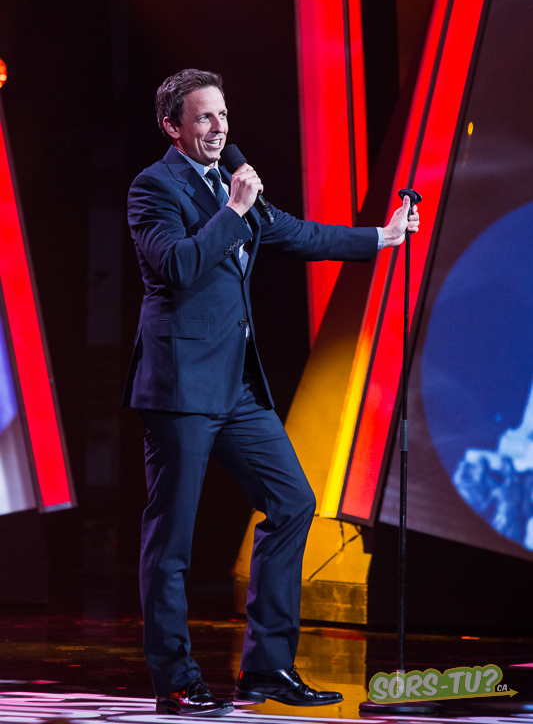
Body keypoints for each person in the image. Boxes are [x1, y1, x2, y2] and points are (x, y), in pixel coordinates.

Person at [122, 68, 420, 716]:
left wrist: (382, 237)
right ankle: (176, 680)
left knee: (292, 502)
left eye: (223, 116)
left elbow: (295, 233)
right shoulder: (154, 187)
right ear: (173, 126)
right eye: (204, 117)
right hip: (180, 387)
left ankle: (266, 669)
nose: (218, 128)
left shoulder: (234, 187)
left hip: (236, 385)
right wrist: (232, 211)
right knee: (172, 540)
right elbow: (176, 265)